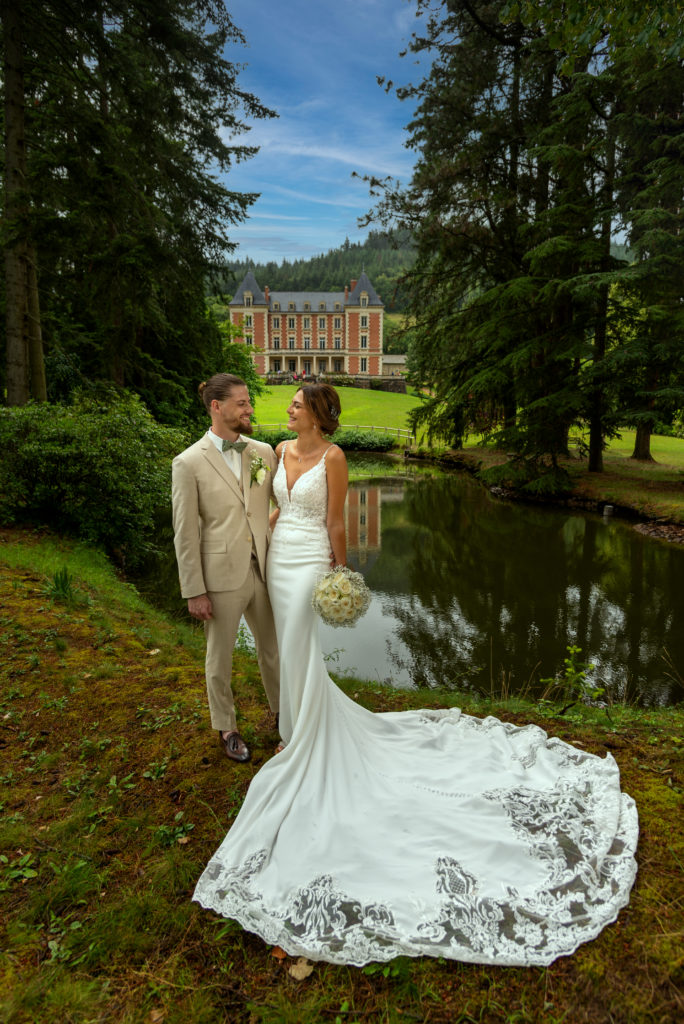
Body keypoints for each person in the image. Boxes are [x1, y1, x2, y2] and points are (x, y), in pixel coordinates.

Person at [193, 383, 638, 967]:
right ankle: (296, 726)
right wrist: (264, 536)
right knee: (289, 653)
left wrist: (341, 576)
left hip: (309, 567)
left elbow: (333, 523)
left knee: (301, 646)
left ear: (319, 414)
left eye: (300, 402)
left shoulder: (334, 458)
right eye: (292, 404)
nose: (291, 408)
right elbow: (273, 507)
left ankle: (301, 737)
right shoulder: (274, 449)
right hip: (277, 558)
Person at [171, 373, 280, 764]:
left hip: (266, 572)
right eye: (242, 403)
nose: (250, 409)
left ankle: (283, 716)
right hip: (218, 577)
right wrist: (193, 590)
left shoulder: (264, 452)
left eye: (249, 402)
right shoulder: (187, 463)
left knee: (274, 649)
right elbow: (184, 533)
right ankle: (227, 727)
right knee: (220, 658)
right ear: (216, 407)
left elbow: (281, 501)